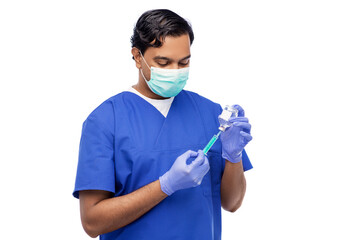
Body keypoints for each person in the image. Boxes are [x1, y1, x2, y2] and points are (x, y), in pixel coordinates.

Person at [73, 9, 253, 240]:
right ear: (138, 57)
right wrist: (166, 185)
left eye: (183, 62)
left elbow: (232, 203)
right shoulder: (106, 120)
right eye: (163, 62)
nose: (175, 72)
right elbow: (92, 222)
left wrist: (234, 157)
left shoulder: (211, 113)